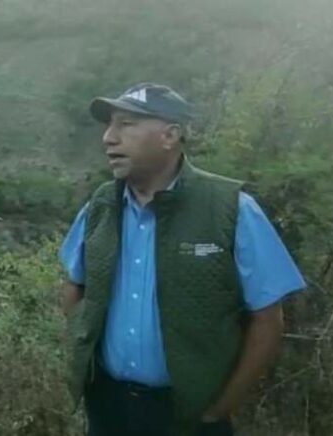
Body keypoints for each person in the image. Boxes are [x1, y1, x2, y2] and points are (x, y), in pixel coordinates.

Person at [58, 83, 306, 436]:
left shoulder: (229, 208)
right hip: (108, 408)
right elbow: (75, 286)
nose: (108, 138)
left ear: (170, 136)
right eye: (109, 125)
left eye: (126, 124)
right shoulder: (101, 205)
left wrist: (221, 409)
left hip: (189, 415)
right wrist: (86, 362)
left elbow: (267, 319)